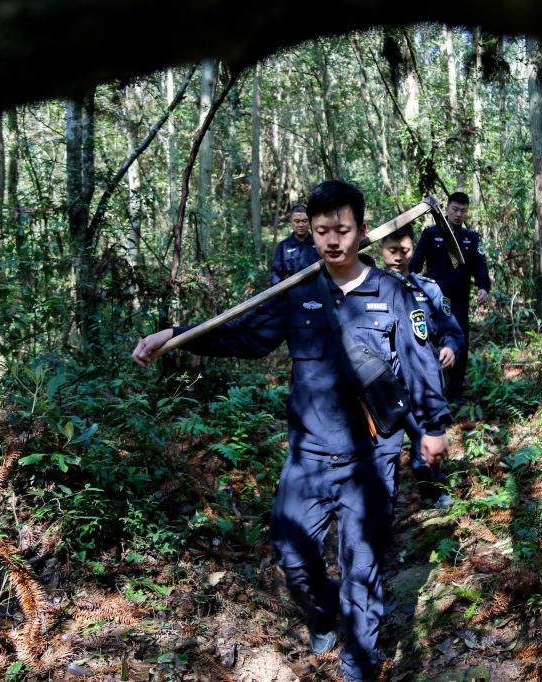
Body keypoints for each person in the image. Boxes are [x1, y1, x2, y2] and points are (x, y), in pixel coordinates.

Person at [132, 181, 451, 682]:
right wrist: (175, 335)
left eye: (342, 230)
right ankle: (323, 615)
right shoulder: (298, 291)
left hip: (372, 456)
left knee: (361, 570)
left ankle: (358, 668)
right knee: (293, 555)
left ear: (362, 231)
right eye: (322, 230)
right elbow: (245, 334)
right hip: (309, 454)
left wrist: (433, 428)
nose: (332, 240)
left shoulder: (392, 293)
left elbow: (418, 364)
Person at [380, 225, 464, 508]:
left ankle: (434, 493)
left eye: (404, 250)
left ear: (412, 249)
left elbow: (450, 328)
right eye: (392, 250)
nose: (398, 257)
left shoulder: (426, 289)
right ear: (381, 250)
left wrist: (450, 346)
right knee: (381, 453)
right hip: (381, 386)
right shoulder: (370, 289)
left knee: (424, 445)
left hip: (419, 382)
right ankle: (382, 510)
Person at [410, 191, 491, 403]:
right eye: (455, 209)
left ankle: (455, 393)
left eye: (463, 211)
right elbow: (415, 265)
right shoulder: (431, 234)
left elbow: (480, 267)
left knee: (459, 342)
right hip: (431, 300)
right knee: (428, 341)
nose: (458, 214)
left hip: (458, 300)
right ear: (446, 208)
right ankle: (432, 390)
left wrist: (483, 287)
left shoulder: (471, 239)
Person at [269, 203, 321, 285]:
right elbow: (276, 277)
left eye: (304, 221)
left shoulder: (319, 242)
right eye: (297, 221)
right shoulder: (283, 247)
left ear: (310, 221)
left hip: (319, 292)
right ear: (291, 222)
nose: (301, 225)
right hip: (293, 293)